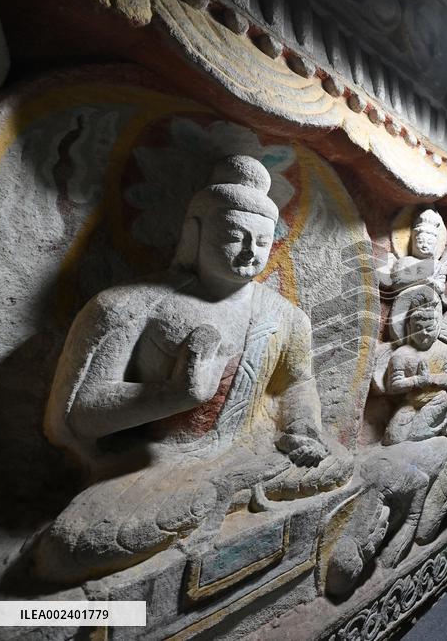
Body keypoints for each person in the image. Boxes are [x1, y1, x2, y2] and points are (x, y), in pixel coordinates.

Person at [36, 155, 351, 583]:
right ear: (196, 231)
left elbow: (297, 382)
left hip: (252, 452)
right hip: (162, 463)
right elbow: (78, 418)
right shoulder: (133, 305)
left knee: (340, 465)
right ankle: (222, 498)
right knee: (71, 547)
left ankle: (222, 496)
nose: (249, 253)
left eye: (261, 242)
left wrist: (303, 427)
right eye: (235, 237)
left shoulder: (285, 317)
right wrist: (172, 395)